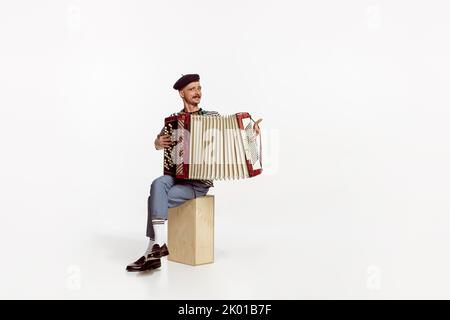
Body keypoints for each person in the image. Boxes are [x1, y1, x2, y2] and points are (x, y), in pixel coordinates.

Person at [126, 74, 262, 272]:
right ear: (182, 93)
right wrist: (157, 143)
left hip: (197, 184)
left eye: (199, 88)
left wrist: (251, 133)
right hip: (175, 176)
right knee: (158, 184)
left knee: (154, 198)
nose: (197, 92)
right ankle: (157, 248)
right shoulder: (174, 121)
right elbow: (159, 140)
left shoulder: (213, 118)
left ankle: (152, 251)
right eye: (192, 89)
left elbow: (236, 137)